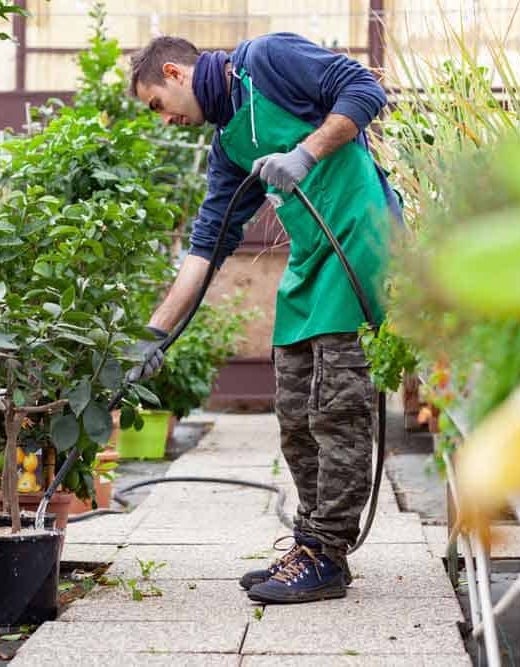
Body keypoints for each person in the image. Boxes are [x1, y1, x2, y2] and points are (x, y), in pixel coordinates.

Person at [126, 33, 402, 604]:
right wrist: (154, 334)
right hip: (311, 258)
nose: (163, 120)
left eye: (156, 104)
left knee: (337, 408)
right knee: (295, 410)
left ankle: (328, 554)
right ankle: (311, 542)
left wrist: (306, 152)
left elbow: (364, 88)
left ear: (175, 73)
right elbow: (206, 246)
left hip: (359, 240)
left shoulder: (268, 61)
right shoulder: (227, 147)